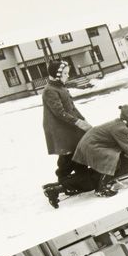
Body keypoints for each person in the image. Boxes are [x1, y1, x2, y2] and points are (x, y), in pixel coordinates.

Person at [72, 105, 128, 197]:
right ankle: (101, 188)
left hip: (94, 144)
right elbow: (127, 148)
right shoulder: (120, 128)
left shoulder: (122, 124)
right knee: (114, 160)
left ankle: (104, 180)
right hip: (91, 146)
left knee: (117, 156)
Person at [41, 59, 93, 194]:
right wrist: (78, 122)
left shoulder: (60, 87)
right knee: (68, 154)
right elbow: (59, 112)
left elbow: (72, 108)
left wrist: (83, 119)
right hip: (60, 129)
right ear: (57, 75)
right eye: (65, 73)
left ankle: (82, 176)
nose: (68, 75)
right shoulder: (50, 90)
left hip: (70, 125)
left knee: (78, 150)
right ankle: (63, 179)